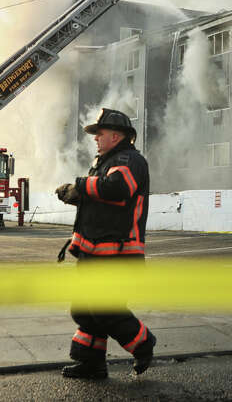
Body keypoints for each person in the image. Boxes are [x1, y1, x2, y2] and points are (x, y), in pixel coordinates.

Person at [54, 108, 156, 380]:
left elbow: (117, 188)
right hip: (95, 254)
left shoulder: (129, 160)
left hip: (117, 255)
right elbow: (103, 197)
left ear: (116, 135)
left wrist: (81, 185)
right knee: (84, 308)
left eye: (99, 133)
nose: (95, 138)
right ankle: (92, 364)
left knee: (104, 308)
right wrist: (76, 196)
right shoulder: (106, 161)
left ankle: (144, 345)